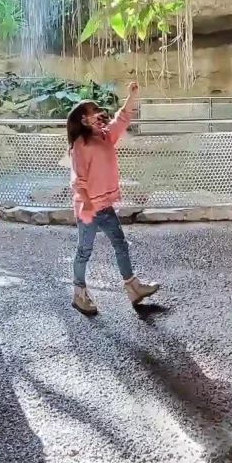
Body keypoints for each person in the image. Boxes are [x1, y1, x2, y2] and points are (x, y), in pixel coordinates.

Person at [67, 81, 160, 315]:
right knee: (84, 251)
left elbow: (122, 118)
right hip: (88, 208)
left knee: (120, 244)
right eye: (92, 110)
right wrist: (86, 202)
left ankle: (133, 287)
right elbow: (78, 178)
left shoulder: (105, 136)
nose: (98, 113)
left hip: (104, 206)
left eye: (98, 108)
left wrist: (131, 96)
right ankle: (79, 294)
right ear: (83, 120)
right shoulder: (81, 144)